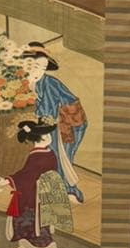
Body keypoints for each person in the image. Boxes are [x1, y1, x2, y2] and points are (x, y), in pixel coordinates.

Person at [20, 42, 88, 203]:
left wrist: (59, 120)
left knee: (56, 157)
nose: (39, 71)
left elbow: (65, 105)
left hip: (51, 127)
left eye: (43, 67)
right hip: (27, 127)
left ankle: (66, 189)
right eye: (36, 66)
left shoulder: (50, 83)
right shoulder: (19, 82)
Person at [0, 118, 72, 248]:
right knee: (39, 220)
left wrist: (8, 181)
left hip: (33, 195)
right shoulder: (48, 153)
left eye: (48, 135)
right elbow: (27, 173)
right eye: (45, 136)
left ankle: (46, 245)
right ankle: (26, 245)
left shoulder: (37, 156)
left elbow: (26, 175)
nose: (48, 137)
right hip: (42, 192)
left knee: (32, 220)